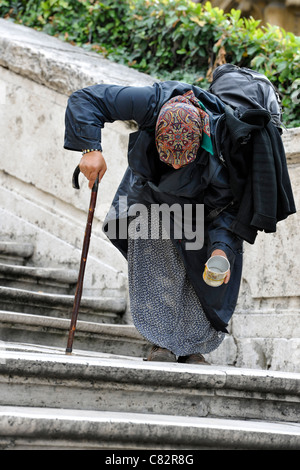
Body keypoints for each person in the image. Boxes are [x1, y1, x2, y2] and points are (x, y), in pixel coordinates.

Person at [64, 80, 243, 364]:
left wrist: (222, 249)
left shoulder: (224, 141)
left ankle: (190, 346)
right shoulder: (148, 101)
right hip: (149, 192)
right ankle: (162, 344)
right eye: (169, 157)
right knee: (155, 262)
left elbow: (232, 208)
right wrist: (90, 148)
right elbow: (85, 99)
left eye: (180, 160)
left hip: (199, 203)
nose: (174, 164)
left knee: (199, 269)